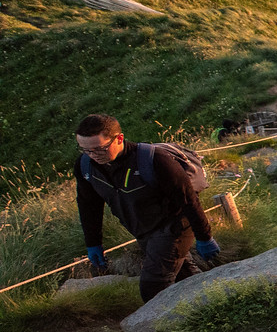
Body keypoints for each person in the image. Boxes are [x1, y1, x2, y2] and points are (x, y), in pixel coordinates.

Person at [74, 115, 221, 301]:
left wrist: (204, 236)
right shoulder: (85, 166)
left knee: (153, 287)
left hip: (175, 225)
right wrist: (93, 243)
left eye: (100, 149)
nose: (93, 156)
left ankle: (165, 328)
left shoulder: (154, 160)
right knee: (184, 275)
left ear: (119, 138)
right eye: (85, 150)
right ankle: (216, 306)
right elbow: (88, 205)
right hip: (142, 230)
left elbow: (188, 199)